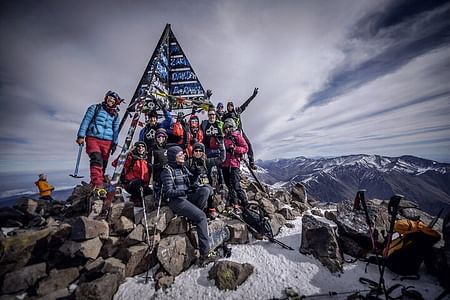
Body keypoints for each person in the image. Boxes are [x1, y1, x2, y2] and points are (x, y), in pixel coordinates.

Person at [160, 146, 218, 265]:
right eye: (180, 154)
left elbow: (191, 181)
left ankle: (194, 215)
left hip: (185, 197)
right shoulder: (167, 171)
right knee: (201, 216)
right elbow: (169, 192)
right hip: (176, 201)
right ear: (173, 157)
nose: (183, 156)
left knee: (205, 191)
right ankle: (205, 254)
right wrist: (185, 191)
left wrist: (196, 174)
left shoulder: (182, 167)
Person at [76, 90, 122, 189]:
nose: (111, 99)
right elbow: (86, 121)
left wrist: (115, 143)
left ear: (116, 102)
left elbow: (116, 130)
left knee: (103, 163)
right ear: (106, 98)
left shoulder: (116, 115)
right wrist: (81, 136)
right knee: (96, 159)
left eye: (114, 99)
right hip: (93, 138)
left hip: (107, 142)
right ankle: (97, 184)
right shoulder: (95, 108)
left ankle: (97, 180)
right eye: (110, 97)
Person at [186, 142, 225, 219]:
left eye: (200, 151)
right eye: (196, 151)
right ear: (193, 152)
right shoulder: (188, 163)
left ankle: (210, 210)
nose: (198, 153)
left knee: (209, 189)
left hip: (205, 188)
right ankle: (197, 215)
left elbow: (221, 159)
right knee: (206, 190)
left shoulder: (206, 162)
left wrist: (221, 148)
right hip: (193, 191)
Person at [222, 88, 258, 169]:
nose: (230, 107)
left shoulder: (237, 112)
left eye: (231, 105)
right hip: (229, 134)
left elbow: (246, 104)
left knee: (248, 144)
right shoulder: (225, 116)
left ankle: (251, 162)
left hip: (239, 131)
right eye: (228, 106)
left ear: (233, 106)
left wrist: (253, 95)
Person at [222, 118, 248, 214]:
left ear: (232, 127)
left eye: (229, 127)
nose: (227, 129)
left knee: (236, 185)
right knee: (229, 185)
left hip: (234, 164)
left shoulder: (237, 137)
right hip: (225, 164)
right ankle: (235, 204)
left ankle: (246, 203)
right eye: (226, 127)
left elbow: (245, 148)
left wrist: (235, 149)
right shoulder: (223, 139)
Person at [112, 141, 151, 206]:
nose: (140, 148)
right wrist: (127, 153)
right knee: (138, 182)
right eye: (138, 146)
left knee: (150, 192)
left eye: (143, 146)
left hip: (144, 185)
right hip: (131, 184)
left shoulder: (146, 160)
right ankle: (134, 201)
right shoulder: (131, 158)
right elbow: (116, 163)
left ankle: (142, 205)